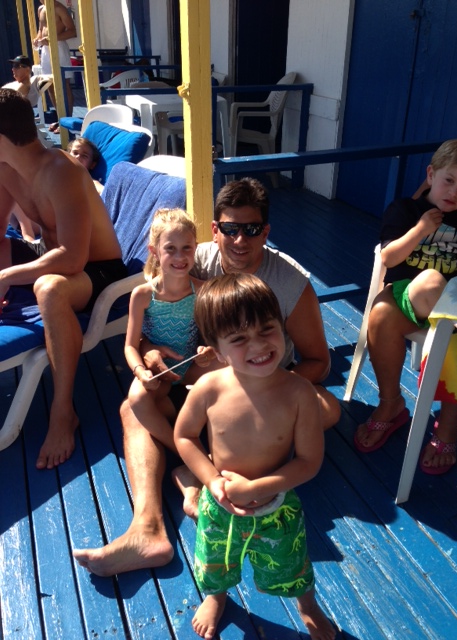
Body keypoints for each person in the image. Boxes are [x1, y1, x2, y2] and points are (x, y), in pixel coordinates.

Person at [71, 177, 340, 578]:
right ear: (215, 230)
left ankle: (194, 469)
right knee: (134, 406)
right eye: (230, 228)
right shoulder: (192, 258)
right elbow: (151, 316)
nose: (240, 240)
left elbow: (318, 361)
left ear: (266, 231)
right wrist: (148, 348)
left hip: (266, 394)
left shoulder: (290, 284)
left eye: (252, 229)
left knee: (327, 408)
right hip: (202, 384)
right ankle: (148, 528)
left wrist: (269, 390)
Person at [174, 273, 336, 640]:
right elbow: (184, 436)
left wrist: (257, 488)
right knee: (215, 562)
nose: (259, 345)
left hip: (276, 507)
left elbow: (308, 461)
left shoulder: (300, 393)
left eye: (267, 329)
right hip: (219, 504)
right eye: (238, 339)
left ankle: (307, 604)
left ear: (282, 327)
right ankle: (216, 597)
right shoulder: (208, 388)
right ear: (216, 351)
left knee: (292, 564)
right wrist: (212, 480)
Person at [0, 88, 128, 470]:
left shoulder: (63, 171)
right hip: (52, 259)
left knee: (48, 288)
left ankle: (62, 411)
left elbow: (73, 258)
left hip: (97, 270)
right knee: (40, 278)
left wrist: (6, 276)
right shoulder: (6, 171)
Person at [354, 139, 457, 474]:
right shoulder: (405, 210)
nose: (454, 192)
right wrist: (421, 229)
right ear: (431, 174)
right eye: (449, 180)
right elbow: (388, 257)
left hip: (449, 309)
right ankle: (391, 402)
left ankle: (449, 418)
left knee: (453, 320)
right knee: (408, 299)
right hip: (407, 295)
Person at [122, 208, 213, 456]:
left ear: (195, 249)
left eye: (186, 248)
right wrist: (140, 371)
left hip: (191, 366)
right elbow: (130, 345)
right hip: (159, 372)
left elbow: (215, 336)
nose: (179, 256)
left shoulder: (202, 290)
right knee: (137, 399)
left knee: (233, 368)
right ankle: (186, 454)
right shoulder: (143, 295)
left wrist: (208, 351)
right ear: (154, 251)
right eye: (170, 248)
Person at [33, 0, 76, 125]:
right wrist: (37, 39)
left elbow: (72, 31)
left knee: (63, 84)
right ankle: (60, 118)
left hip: (59, 47)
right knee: (49, 84)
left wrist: (51, 39)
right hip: (45, 50)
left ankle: (68, 120)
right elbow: (41, 29)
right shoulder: (41, 9)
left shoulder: (59, 8)